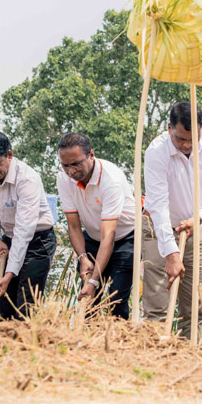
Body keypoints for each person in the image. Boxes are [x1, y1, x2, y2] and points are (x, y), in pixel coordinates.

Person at [144, 101, 202, 335]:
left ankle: (190, 360)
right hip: (157, 231)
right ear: (169, 128)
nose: (187, 145)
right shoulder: (155, 152)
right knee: (158, 309)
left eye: (193, 138)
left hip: (193, 230)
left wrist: (198, 217)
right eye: (181, 139)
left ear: (201, 128)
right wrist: (170, 253)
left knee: (195, 307)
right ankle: (154, 363)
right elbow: (159, 205)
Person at [0, 129, 56, 319]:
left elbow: (24, 230)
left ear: (9, 155)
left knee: (27, 303)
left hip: (38, 241)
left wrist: (10, 273)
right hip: (8, 239)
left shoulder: (27, 179)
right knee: (3, 303)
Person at [57, 133, 138, 319]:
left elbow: (108, 235)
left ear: (91, 155)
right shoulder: (63, 179)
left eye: (76, 164)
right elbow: (74, 226)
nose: (71, 171)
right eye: (65, 165)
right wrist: (83, 257)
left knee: (115, 300)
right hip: (93, 237)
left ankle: (118, 342)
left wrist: (94, 280)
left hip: (124, 238)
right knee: (88, 300)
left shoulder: (111, 179)